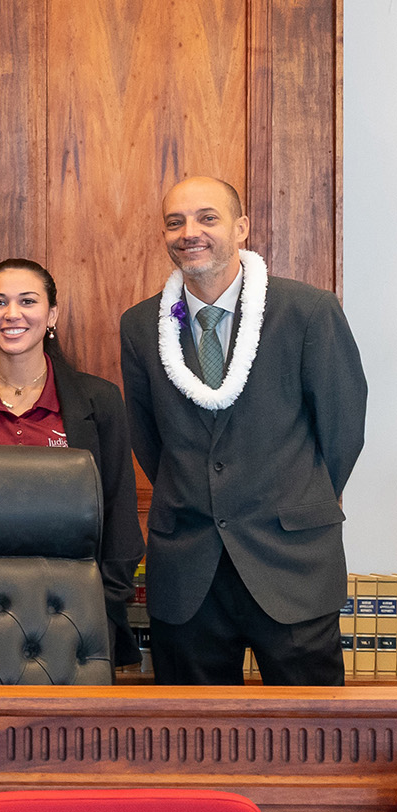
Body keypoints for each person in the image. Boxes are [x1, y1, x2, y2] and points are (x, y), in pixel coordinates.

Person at [120, 176, 367, 685]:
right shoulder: (142, 325)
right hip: (189, 571)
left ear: (241, 227)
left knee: (312, 743)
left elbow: (343, 429)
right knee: (193, 747)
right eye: (175, 222)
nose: (190, 232)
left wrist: (303, 499)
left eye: (207, 218)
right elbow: (148, 439)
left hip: (291, 562)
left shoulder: (308, 311)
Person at [0, 258, 146, 667]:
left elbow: (119, 511)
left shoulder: (98, 401)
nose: (12, 314)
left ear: (51, 314)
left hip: (75, 619)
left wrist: (100, 606)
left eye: (27, 301)